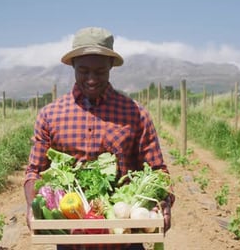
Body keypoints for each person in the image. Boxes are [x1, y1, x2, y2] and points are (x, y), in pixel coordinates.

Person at [24, 26, 174, 250]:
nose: (92, 79)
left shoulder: (135, 114)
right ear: (73, 66)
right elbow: (34, 172)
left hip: (125, 238)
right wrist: (32, 205)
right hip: (72, 238)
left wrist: (163, 203)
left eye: (100, 72)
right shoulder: (50, 115)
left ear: (111, 67)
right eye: (84, 71)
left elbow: (158, 170)